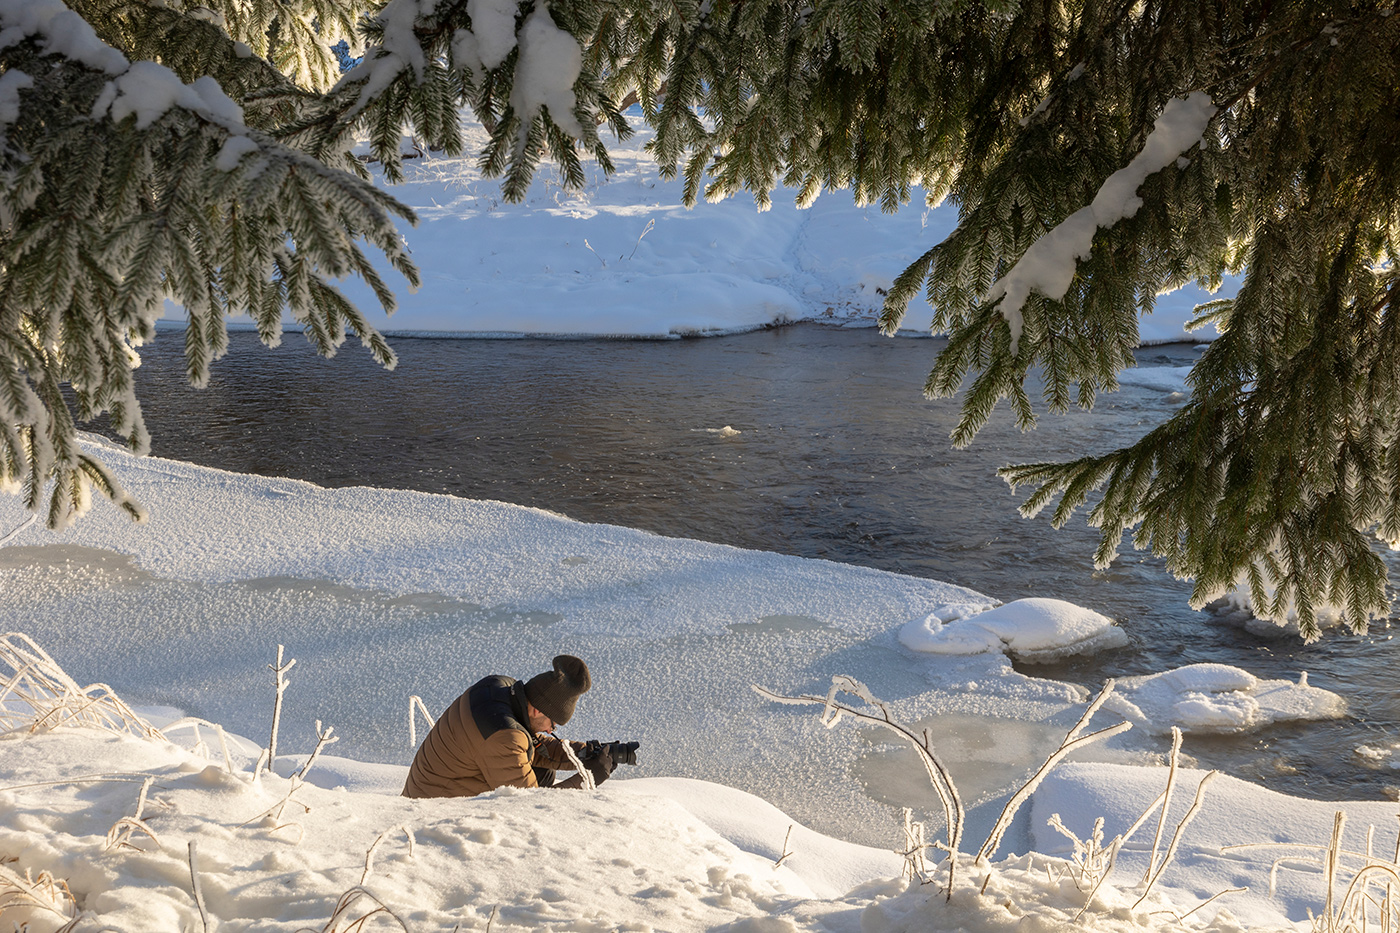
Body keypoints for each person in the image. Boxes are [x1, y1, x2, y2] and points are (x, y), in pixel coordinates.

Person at [401, 655, 615, 798]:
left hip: (434, 787)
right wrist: (590, 778)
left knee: (542, 772)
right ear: (538, 711)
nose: (551, 730)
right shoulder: (504, 737)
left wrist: (584, 753)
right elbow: (531, 805)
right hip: (430, 812)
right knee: (537, 784)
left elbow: (533, 745)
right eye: (553, 723)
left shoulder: (500, 688)